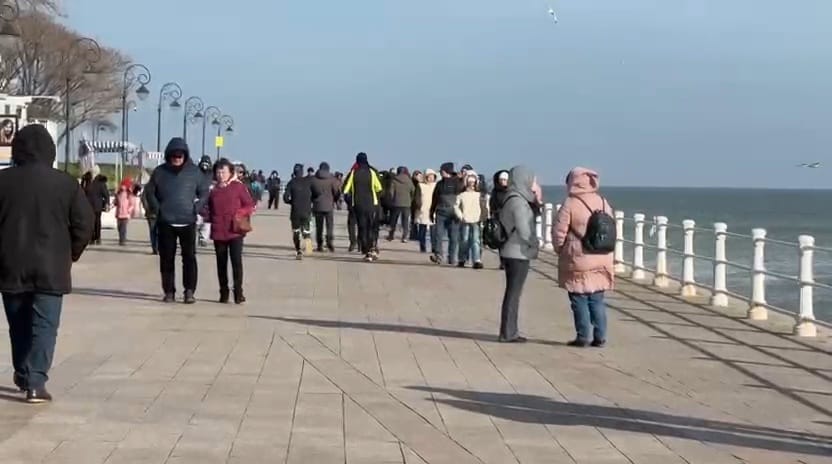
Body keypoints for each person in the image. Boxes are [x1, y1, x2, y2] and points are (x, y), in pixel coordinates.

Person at [0, 124, 94, 403]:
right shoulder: (66, 184)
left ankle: (23, 372)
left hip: (10, 265)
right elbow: (84, 224)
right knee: (44, 325)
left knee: (18, 325)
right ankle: (35, 382)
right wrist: (71, 253)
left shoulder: (3, 181)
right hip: (52, 267)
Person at [143, 137, 210, 304]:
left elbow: (204, 192)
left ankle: (189, 291)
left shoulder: (195, 172)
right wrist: (157, 209)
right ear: (168, 156)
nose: (177, 159)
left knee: (189, 258)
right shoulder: (160, 172)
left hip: (188, 221)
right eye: (174, 156)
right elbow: (149, 192)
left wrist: (196, 208)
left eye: (180, 156)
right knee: (166, 258)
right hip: (166, 221)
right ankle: (169, 291)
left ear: (185, 155)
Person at [553, 167, 614, 348]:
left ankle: (583, 336)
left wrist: (560, 249)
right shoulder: (602, 202)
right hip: (602, 256)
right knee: (597, 299)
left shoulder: (571, 203)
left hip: (578, 257)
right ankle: (600, 336)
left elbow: (559, 232)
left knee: (579, 298)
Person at [497, 165, 542, 343]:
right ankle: (509, 332)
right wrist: (535, 244)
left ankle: (510, 330)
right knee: (514, 293)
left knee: (512, 292)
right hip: (518, 252)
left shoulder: (511, 197)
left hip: (510, 250)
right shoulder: (519, 201)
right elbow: (524, 230)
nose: (533, 184)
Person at [204, 158, 256, 304]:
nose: (221, 175)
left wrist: (239, 213)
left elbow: (249, 205)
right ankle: (223, 292)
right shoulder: (212, 190)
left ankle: (238, 292)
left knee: (236, 262)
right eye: (218, 172)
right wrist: (206, 216)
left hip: (235, 231)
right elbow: (206, 208)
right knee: (221, 264)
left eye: (223, 172)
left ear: (230, 173)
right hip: (218, 231)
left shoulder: (238, 187)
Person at [342, 152, 383, 262]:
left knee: (362, 227)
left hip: (358, 205)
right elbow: (379, 188)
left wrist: (349, 202)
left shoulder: (354, 173)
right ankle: (371, 248)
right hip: (371, 204)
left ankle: (365, 249)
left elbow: (345, 190)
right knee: (371, 227)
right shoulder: (372, 172)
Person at [429, 162, 463, 265]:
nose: (440, 172)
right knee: (438, 234)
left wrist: (461, 213)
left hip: (454, 213)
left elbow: (462, 199)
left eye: (442, 170)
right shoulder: (440, 184)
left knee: (453, 236)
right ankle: (438, 255)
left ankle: (452, 257)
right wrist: (432, 211)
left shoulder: (458, 183)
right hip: (441, 212)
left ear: (447, 171)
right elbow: (435, 199)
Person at [283, 163, 314, 259]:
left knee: (296, 232)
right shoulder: (308, 182)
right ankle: (309, 249)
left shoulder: (291, 182)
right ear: (302, 172)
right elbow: (315, 193)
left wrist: (292, 202)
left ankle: (298, 251)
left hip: (295, 212)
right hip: (306, 210)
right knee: (307, 231)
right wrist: (310, 201)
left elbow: (285, 198)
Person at [454, 173, 483, 269]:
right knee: (464, 240)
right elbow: (456, 206)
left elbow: (484, 206)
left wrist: (483, 217)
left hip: (476, 220)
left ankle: (477, 260)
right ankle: (462, 259)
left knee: (475, 240)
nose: (471, 184)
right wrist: (461, 216)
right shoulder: (461, 195)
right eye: (469, 182)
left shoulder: (479, 195)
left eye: (473, 182)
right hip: (465, 220)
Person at [311, 161, 340, 252]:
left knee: (319, 227)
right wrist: (335, 200)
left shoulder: (314, 179)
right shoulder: (332, 179)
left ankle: (320, 244)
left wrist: (313, 200)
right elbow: (336, 192)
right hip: (329, 205)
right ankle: (329, 241)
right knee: (329, 225)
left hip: (317, 205)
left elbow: (311, 192)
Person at [387, 166, 415, 242]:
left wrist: (392, 200)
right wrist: (410, 199)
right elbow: (413, 191)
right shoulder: (409, 181)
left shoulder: (394, 180)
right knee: (405, 221)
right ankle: (404, 236)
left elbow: (391, 192)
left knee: (393, 221)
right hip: (407, 203)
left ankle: (391, 235)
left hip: (396, 203)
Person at [490, 170, 511, 269]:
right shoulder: (495, 191)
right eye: (501, 180)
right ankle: (502, 261)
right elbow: (492, 203)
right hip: (498, 218)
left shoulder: (511, 191)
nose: (503, 182)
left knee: (509, 240)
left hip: (510, 218)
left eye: (505, 180)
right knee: (500, 240)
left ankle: (508, 261)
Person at [414, 169, 437, 253]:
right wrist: (419, 206)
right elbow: (417, 197)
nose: (431, 178)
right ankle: (422, 246)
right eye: (429, 176)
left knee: (433, 231)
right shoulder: (420, 186)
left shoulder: (436, 185)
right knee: (422, 230)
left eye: (432, 176)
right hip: (423, 210)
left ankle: (434, 247)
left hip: (433, 210)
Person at [84, 173, 109, 245]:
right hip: (93, 206)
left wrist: (107, 204)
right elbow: (106, 195)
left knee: (94, 222)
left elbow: (106, 194)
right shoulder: (99, 184)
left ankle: (94, 238)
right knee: (94, 222)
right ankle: (95, 238)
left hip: (93, 206)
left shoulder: (94, 183)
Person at [196, 155, 214, 247]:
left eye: (207, 163)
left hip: (208, 201)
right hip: (197, 200)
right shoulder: (196, 173)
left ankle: (203, 238)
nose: (205, 165)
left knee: (207, 222)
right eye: (203, 163)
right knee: (197, 220)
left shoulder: (212, 174)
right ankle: (196, 235)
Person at [114, 179, 135, 246]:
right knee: (119, 227)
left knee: (123, 227)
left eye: (124, 186)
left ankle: (122, 240)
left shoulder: (129, 194)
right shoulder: (118, 193)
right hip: (119, 212)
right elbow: (115, 202)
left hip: (125, 213)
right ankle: (121, 238)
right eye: (122, 186)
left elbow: (132, 204)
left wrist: (129, 210)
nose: (122, 187)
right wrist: (115, 202)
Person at [141, 184, 159, 255]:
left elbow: (143, 199)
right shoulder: (164, 184)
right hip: (157, 213)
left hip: (152, 213)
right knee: (157, 231)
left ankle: (155, 248)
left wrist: (147, 209)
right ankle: (156, 248)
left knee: (153, 231)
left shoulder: (148, 186)